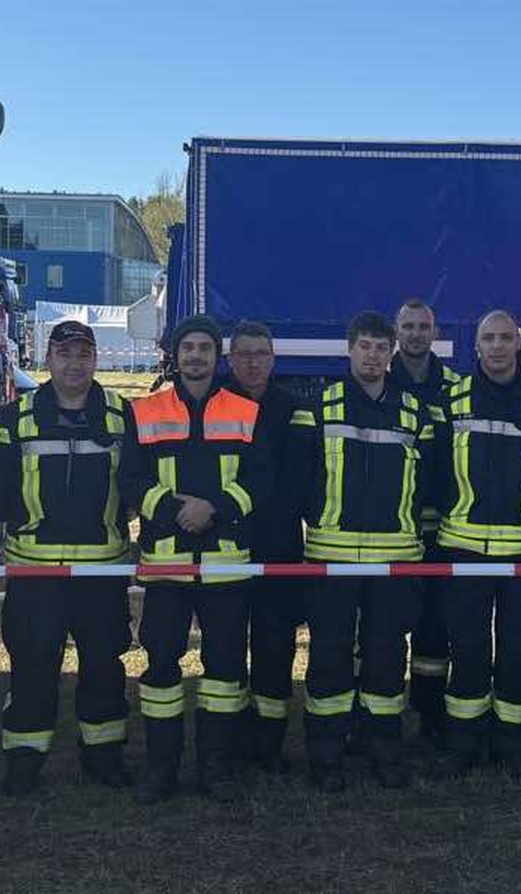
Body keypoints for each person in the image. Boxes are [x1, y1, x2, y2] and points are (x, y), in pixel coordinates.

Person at [0, 320, 134, 796]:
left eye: (84, 354)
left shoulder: (120, 416)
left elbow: (137, 484)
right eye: (65, 354)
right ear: (48, 360)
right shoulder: (14, 419)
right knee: (32, 668)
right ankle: (24, 764)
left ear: (95, 360)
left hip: (100, 571)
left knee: (105, 668)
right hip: (35, 571)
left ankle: (104, 759)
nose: (75, 364)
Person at [120, 315, 272, 804]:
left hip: (226, 563)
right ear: (175, 353)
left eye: (205, 348)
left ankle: (215, 767)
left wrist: (215, 509)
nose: (196, 356)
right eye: (188, 348)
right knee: (162, 666)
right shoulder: (144, 411)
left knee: (225, 670)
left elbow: (262, 479)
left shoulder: (245, 410)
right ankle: (162, 768)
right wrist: (175, 510)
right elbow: (131, 481)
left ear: (217, 355)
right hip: (167, 565)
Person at [291, 311, 433, 792]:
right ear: (349, 350)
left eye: (380, 347)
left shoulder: (415, 412)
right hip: (332, 555)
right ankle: (326, 756)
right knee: (329, 657)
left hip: (395, 558)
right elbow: (302, 478)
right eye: (364, 346)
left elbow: (431, 481)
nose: (372, 355)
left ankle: (384, 752)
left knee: (386, 657)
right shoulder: (320, 406)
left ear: (392, 352)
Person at [431, 310, 521, 777]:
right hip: (463, 546)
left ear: (519, 344)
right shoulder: (453, 401)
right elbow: (433, 473)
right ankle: (463, 743)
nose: (497, 346)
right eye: (488, 337)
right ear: (477, 346)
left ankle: (512, 745)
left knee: (520, 651)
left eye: (505, 338)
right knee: (466, 648)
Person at [225, 320, 307, 774]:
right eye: (244, 354)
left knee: (276, 650)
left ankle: (271, 745)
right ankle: (236, 740)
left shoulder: (292, 409)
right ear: (231, 359)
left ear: (273, 360)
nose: (253, 362)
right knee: (229, 648)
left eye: (261, 354)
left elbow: (302, 478)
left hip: (279, 547)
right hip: (228, 545)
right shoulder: (216, 407)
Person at [388, 298, 462, 744]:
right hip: (391, 532)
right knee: (383, 628)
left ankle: (431, 712)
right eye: (409, 326)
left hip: (440, 531)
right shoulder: (381, 382)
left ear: (435, 333)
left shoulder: (454, 389)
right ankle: (378, 714)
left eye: (424, 326)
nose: (416, 333)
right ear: (398, 332)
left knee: (436, 627)